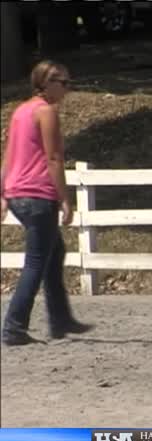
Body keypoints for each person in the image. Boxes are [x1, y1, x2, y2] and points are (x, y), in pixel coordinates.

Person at [1, 60, 93, 347]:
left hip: (17, 193)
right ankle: (14, 327)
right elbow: (53, 159)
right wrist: (65, 199)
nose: (67, 89)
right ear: (46, 83)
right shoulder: (46, 112)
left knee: (54, 253)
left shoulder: (20, 111)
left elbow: (8, 155)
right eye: (63, 83)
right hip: (38, 194)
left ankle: (60, 319)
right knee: (36, 263)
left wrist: (3, 193)